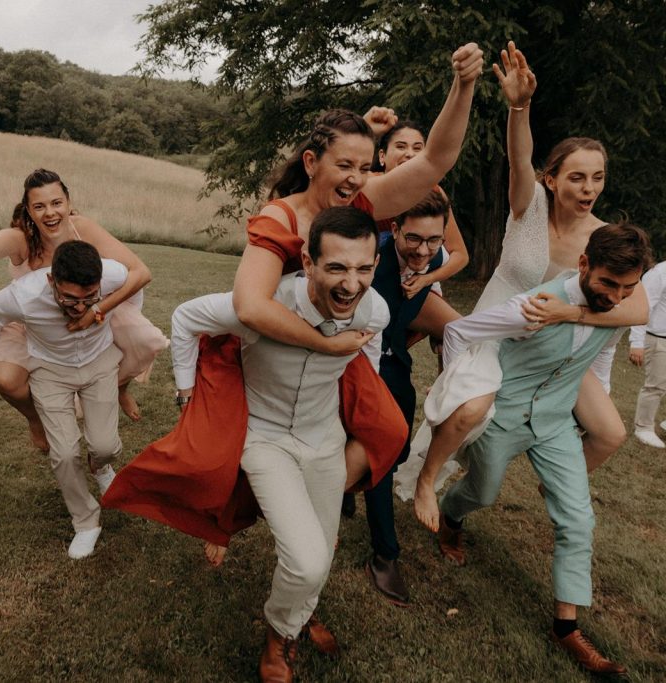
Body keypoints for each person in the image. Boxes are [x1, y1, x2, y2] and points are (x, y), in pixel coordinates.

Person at [104, 42, 484, 569]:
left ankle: (316, 502)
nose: (356, 177)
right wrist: (330, 344)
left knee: (390, 429)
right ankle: (228, 517)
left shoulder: (364, 203)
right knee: (216, 455)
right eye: (345, 166)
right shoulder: (279, 218)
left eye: (366, 166)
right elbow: (250, 306)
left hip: (331, 338)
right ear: (311, 164)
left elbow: (437, 158)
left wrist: (463, 86)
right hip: (271, 339)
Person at [398, 41, 648, 532]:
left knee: (610, 431)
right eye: (577, 177)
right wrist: (520, 106)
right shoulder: (526, 206)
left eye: (597, 178)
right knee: (474, 411)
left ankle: (556, 477)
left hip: (556, 350)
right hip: (496, 334)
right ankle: (430, 479)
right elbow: (520, 158)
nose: (589, 188)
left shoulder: (604, 238)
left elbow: (636, 307)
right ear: (551, 180)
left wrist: (571, 316)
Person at [166, 207, 389, 682]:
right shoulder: (262, 305)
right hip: (265, 440)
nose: (352, 284)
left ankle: (297, 619)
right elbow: (185, 318)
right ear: (308, 262)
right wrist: (186, 392)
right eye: (336, 268)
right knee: (307, 561)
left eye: (364, 268)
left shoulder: (377, 311)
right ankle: (278, 638)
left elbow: (363, 369)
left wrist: (358, 426)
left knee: (323, 547)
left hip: (325, 438)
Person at [435, 222, 650, 676]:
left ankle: (566, 627)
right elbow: (459, 332)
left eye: (627, 288)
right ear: (584, 264)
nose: (615, 297)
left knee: (578, 519)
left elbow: (618, 329)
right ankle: (451, 516)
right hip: (505, 416)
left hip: (554, 423)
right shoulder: (530, 306)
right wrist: (462, 391)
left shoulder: (615, 306)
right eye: (608, 283)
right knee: (483, 492)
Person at [0, 169, 167, 452]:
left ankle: (119, 388)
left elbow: (141, 272)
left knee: (143, 341)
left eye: (56, 203)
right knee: (7, 381)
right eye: (39, 206)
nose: (50, 213)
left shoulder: (83, 229)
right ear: (29, 210)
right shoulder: (22, 239)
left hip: (89, 308)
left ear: (68, 202)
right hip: (35, 319)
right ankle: (35, 420)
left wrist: (98, 311)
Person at [0, 240, 129, 560]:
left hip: (99, 362)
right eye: (70, 298)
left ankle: (100, 467)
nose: (80, 306)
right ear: (51, 281)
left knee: (105, 446)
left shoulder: (114, 274)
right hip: (48, 370)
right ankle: (86, 522)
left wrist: (105, 311)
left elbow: (134, 284)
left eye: (90, 297)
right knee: (63, 452)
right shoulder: (24, 294)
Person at [359, 190, 450, 605]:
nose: (424, 250)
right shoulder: (368, 259)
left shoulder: (437, 259)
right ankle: (385, 555)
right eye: (414, 239)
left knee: (396, 451)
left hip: (394, 360)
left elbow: (425, 311)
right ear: (393, 229)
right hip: (350, 360)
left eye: (434, 240)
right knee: (381, 446)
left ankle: (351, 487)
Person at [628, 258, 666, 447]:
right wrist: (636, 342)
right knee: (655, 386)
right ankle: (643, 427)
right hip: (657, 338)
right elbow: (643, 308)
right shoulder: (660, 273)